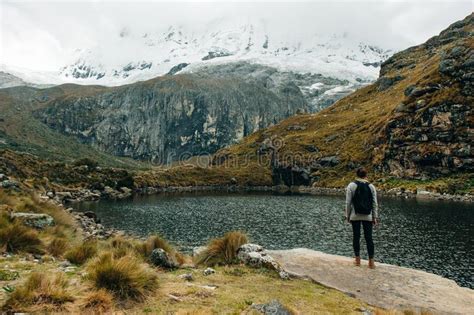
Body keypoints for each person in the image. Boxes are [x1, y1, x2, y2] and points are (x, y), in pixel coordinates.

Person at [345, 167, 378, 268]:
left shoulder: (351, 185)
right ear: (366, 175)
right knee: (369, 238)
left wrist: (347, 215)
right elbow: (374, 203)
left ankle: (358, 260)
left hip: (355, 216)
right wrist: (374, 217)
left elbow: (348, 202)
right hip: (368, 216)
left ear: (357, 175)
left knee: (356, 237)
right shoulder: (371, 186)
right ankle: (371, 262)